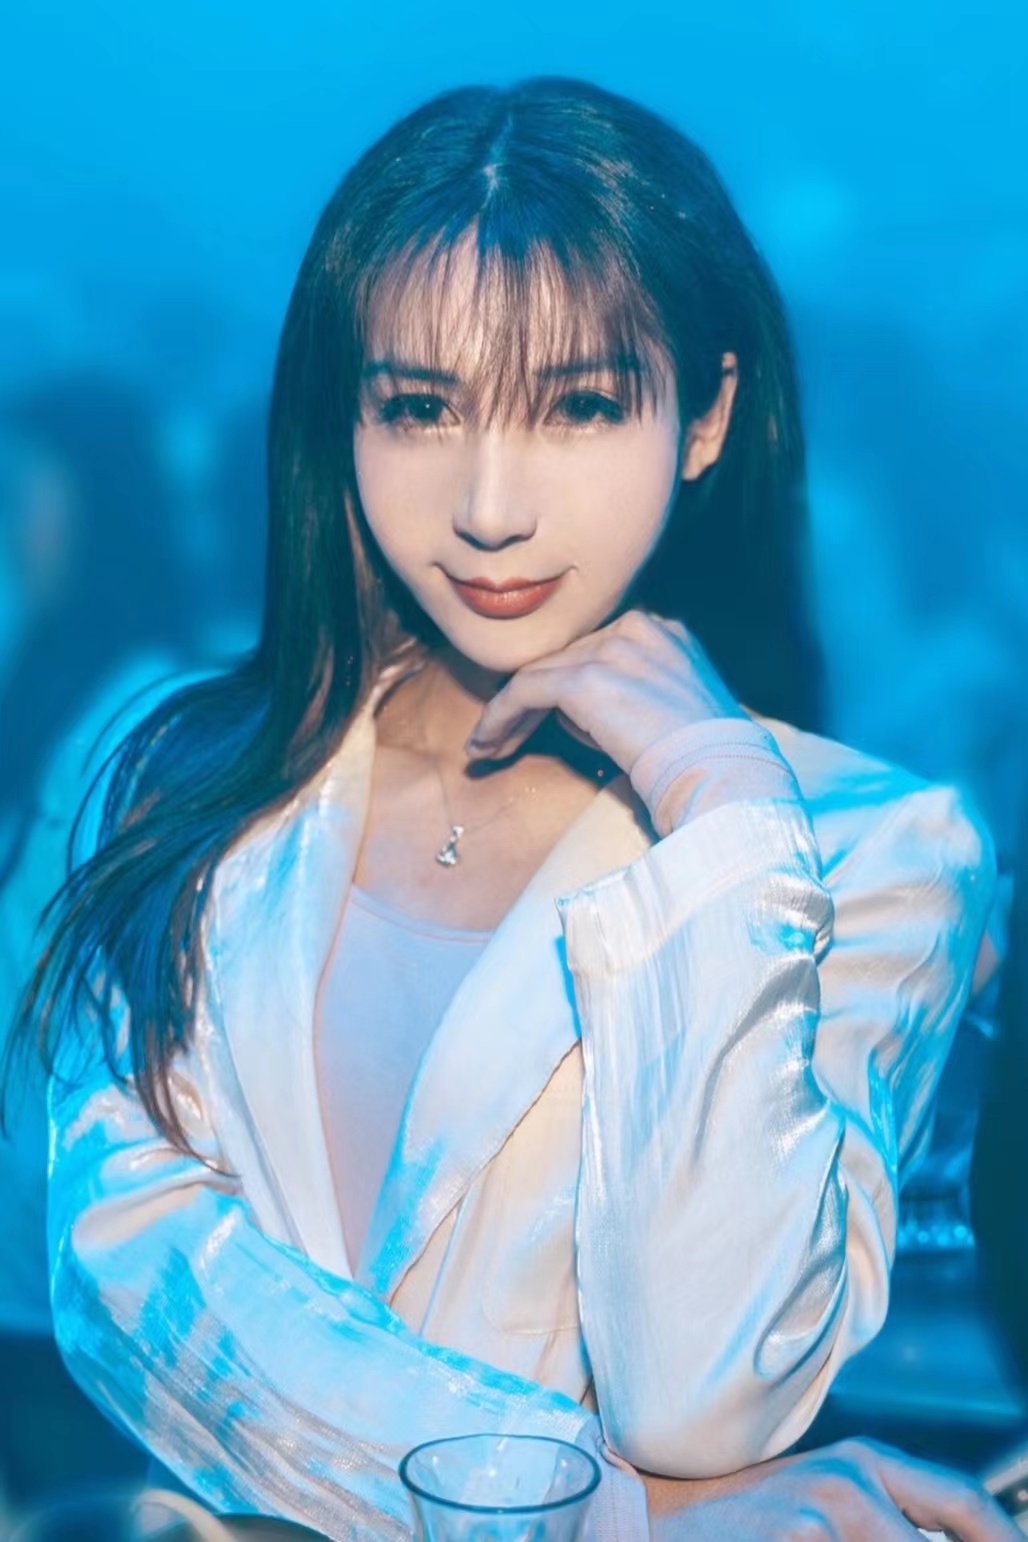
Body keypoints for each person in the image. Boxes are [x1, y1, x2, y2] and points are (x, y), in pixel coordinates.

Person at [2, 78, 1014, 1540]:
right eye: (420, 409)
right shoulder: (187, 782)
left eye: (579, 406)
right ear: (342, 420)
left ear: (707, 416)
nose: (489, 506)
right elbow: (140, 1294)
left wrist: (719, 804)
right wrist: (608, 1511)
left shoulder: (871, 847)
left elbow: (702, 1397)